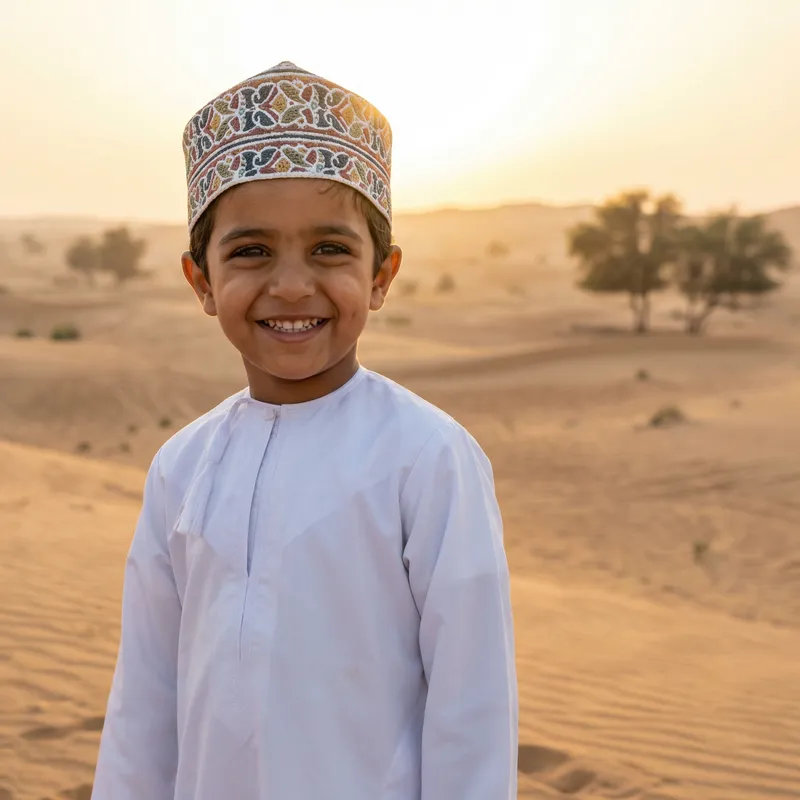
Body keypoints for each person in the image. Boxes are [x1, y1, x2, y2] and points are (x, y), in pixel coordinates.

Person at [91, 61, 518, 800]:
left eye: (330, 250)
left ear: (381, 275)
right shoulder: (181, 466)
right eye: (251, 251)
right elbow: (145, 696)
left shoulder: (427, 455)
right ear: (201, 282)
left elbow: (472, 705)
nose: (291, 285)